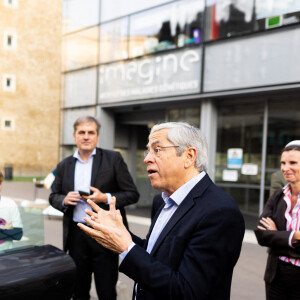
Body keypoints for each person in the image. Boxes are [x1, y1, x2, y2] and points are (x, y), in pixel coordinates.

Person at [78, 121, 245, 300]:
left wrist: (126, 247)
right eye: (148, 150)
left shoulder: (220, 212)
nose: (147, 158)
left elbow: (188, 292)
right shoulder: (162, 201)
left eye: (157, 150)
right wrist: (118, 235)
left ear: (189, 156)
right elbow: (158, 254)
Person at [49, 116, 139, 300]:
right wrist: (64, 199)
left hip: (104, 234)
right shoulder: (64, 165)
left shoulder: (113, 158)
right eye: (82, 132)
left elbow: (132, 193)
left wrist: (104, 197)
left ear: (97, 136)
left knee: (106, 290)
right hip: (76, 235)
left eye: (91, 132)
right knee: (78, 290)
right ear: (74, 136)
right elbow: (53, 196)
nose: (86, 136)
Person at [255, 140, 300, 300]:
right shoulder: (278, 196)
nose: (285, 168)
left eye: (292, 162)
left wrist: (277, 237)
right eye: (283, 163)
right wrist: (294, 236)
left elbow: (271, 237)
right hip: (276, 275)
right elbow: (261, 235)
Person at [0, 171, 23, 251]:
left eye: (0, 183)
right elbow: (14, 233)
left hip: (6, 256)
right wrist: (6, 230)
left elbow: (18, 234)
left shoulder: (10, 204)